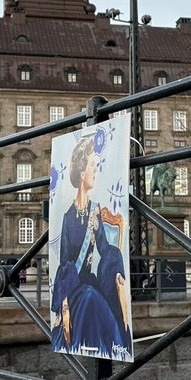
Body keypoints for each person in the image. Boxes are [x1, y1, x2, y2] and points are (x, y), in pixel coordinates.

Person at [51, 134, 131, 359]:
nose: (97, 170)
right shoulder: (67, 217)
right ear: (82, 171)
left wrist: (116, 271)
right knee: (87, 297)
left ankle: (108, 350)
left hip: (90, 282)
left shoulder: (96, 210)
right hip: (74, 287)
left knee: (92, 296)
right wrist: (64, 301)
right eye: (94, 166)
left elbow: (105, 249)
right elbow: (65, 261)